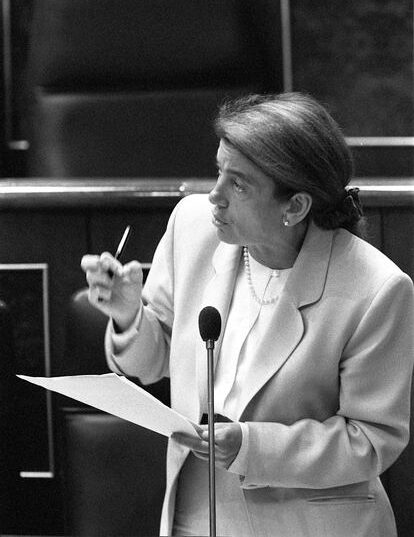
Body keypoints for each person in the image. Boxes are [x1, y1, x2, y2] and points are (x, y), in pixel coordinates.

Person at [81, 92, 414, 537]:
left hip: (310, 523)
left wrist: (252, 445)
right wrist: (128, 316)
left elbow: (371, 439)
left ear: (294, 207)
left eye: (238, 184)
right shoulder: (192, 228)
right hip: (195, 516)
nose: (214, 196)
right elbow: (152, 363)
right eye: (219, 171)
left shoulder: (376, 288)